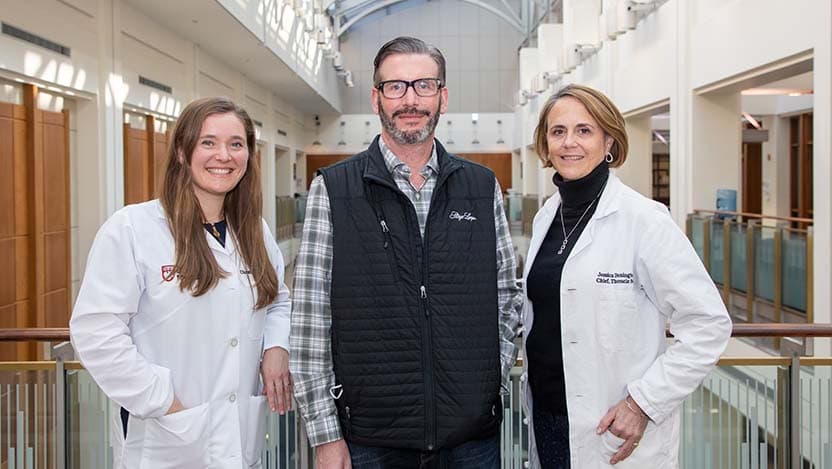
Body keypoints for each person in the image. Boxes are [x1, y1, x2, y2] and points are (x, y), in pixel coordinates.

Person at [290, 36, 522, 469]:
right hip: (368, 441)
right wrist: (324, 435)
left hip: (471, 442)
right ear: (376, 98)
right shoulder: (333, 189)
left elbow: (506, 296)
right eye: (395, 86)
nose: (410, 99)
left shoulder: (481, 186)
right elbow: (310, 318)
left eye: (424, 85)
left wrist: (487, 384)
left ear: (443, 97)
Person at [70, 97, 293, 469]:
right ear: (180, 151)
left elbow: (278, 300)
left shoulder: (254, 231)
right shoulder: (133, 229)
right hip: (166, 439)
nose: (223, 155)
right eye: (208, 142)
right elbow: (95, 332)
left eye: (236, 144)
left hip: (238, 442)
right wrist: (164, 401)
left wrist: (275, 348)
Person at [521, 84, 731, 469]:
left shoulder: (645, 220)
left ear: (609, 142)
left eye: (584, 130)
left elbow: (709, 324)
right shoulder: (546, 217)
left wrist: (642, 404)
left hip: (613, 430)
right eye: (558, 131)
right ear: (546, 144)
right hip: (549, 420)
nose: (570, 143)